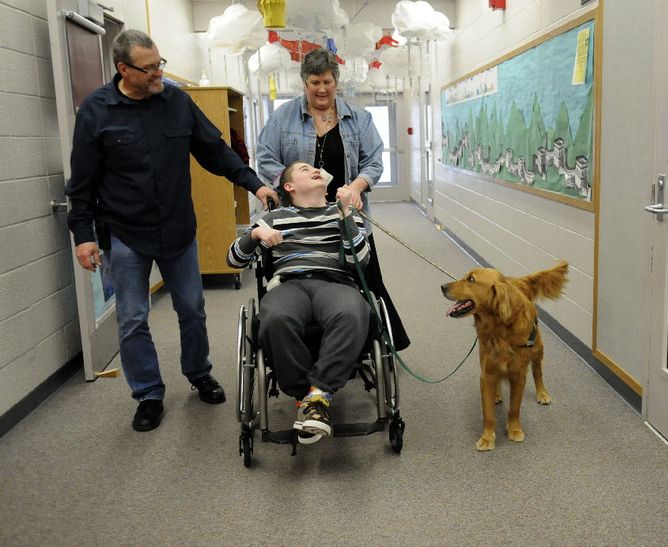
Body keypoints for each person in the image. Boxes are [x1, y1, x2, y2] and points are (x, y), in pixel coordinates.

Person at [65, 30, 278, 432]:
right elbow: (82, 182)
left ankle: (199, 372)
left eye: (159, 63)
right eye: (148, 68)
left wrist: (255, 183)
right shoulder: (97, 110)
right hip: (126, 231)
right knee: (132, 318)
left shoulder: (176, 101)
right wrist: (84, 234)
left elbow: (215, 151)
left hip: (178, 228)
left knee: (192, 309)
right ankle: (148, 393)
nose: (158, 73)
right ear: (123, 69)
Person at [256, 47, 410, 351]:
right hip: (299, 217)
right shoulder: (282, 117)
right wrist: (291, 186)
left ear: (336, 81)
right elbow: (265, 158)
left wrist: (356, 187)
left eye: (327, 81)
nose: (321, 89)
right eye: (314, 83)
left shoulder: (359, 118)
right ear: (304, 83)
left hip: (346, 212)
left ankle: (377, 342)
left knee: (366, 279)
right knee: (301, 275)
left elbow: (374, 162)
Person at [226, 161, 370, 444]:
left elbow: (360, 261)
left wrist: (344, 216)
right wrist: (254, 235)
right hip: (289, 283)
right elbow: (233, 260)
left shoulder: (343, 212)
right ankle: (304, 396)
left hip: (335, 281)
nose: (315, 169)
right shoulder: (275, 217)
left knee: (353, 312)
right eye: (304, 169)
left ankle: (319, 396)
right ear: (289, 186)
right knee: (276, 319)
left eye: (316, 168)